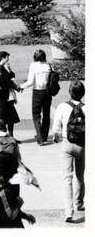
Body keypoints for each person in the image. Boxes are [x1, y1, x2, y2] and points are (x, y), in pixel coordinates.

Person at [52, 81, 85, 223]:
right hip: (82, 145)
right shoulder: (88, 108)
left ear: (70, 92)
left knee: (67, 178)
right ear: (83, 93)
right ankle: (79, 203)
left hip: (67, 143)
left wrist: (56, 136)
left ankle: (68, 211)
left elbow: (56, 127)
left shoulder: (62, 106)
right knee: (79, 176)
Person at [0, 156, 36, 228]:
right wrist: (18, 204)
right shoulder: (4, 191)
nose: (16, 172)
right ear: (10, 170)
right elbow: (10, 216)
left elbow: (5, 208)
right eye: (15, 169)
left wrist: (24, 215)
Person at [19, 49, 53, 145]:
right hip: (47, 92)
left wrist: (21, 86)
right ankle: (44, 135)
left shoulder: (33, 66)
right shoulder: (49, 65)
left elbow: (30, 82)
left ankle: (40, 138)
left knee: (36, 116)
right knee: (46, 115)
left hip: (37, 92)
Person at [0, 51, 21, 138]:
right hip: (5, 96)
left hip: (3, 96)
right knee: (6, 118)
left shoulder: (0, 68)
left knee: (8, 117)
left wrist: (9, 69)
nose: (8, 59)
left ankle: (9, 136)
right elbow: (8, 81)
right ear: (3, 58)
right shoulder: (1, 69)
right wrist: (18, 88)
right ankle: (8, 137)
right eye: (7, 57)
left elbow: (11, 77)